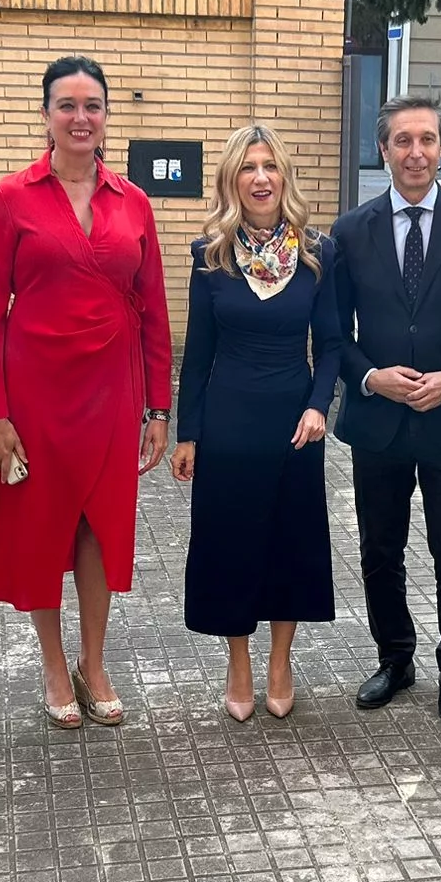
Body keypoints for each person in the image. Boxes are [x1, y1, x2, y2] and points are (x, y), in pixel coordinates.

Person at [0, 55, 173, 727]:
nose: (81, 117)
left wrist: (158, 407)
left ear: (106, 115)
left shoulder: (133, 201)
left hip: (114, 392)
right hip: (35, 394)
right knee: (39, 531)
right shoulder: (11, 199)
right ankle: (54, 668)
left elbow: (155, 310)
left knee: (99, 527)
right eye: (67, 105)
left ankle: (95, 661)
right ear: (46, 115)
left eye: (93, 105)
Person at [330, 95, 441, 723]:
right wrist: (368, 377)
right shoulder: (351, 231)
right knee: (381, 550)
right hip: (378, 421)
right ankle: (395, 657)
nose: (416, 152)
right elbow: (332, 332)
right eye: (402, 141)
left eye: (427, 140)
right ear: (383, 150)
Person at [171, 125, 340, 719]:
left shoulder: (318, 252)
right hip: (228, 424)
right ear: (231, 180)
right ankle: (238, 661)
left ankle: (280, 659)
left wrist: (320, 404)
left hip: (296, 424)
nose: (260, 178)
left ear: (284, 176)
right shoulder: (210, 255)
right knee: (230, 544)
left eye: (269, 166)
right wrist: (185, 433)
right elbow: (197, 352)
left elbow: (334, 344)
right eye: (248, 167)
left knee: (290, 542)